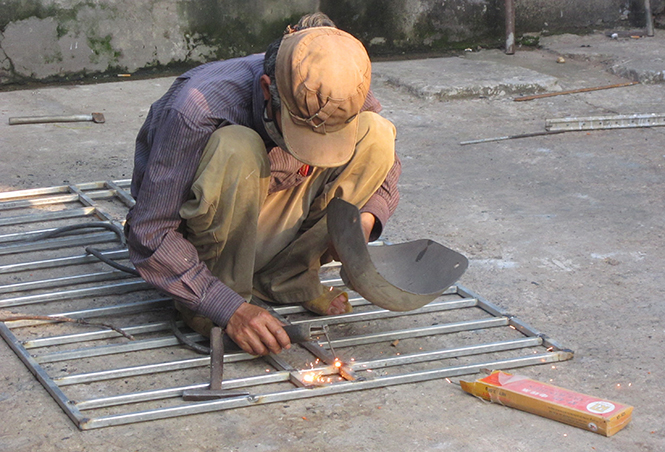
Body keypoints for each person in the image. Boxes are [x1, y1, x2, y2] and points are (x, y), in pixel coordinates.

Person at [125, 13, 401, 356]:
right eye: (299, 130)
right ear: (268, 89)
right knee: (237, 147)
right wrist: (227, 308)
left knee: (376, 133)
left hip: (273, 223)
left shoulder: (340, 85)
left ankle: (288, 280)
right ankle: (220, 298)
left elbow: (385, 167)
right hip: (207, 247)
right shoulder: (196, 109)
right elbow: (150, 232)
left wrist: (360, 224)